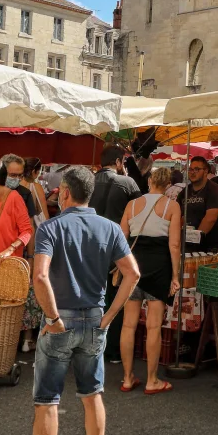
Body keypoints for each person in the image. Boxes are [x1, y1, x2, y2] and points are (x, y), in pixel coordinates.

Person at [0, 165, 140, 435]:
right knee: (93, 395)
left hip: (61, 321)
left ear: (64, 193)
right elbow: (132, 273)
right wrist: (110, 315)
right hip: (94, 319)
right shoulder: (109, 228)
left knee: (47, 401)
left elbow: (40, 277)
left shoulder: (52, 229)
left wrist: (54, 318)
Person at [119, 166, 181, 395]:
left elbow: (121, 237)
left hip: (134, 266)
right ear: (168, 187)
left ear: (149, 182)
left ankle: (127, 378)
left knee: (128, 324)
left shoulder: (131, 205)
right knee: (154, 326)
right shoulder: (172, 206)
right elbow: (174, 245)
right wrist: (175, 275)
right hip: (159, 267)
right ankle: (152, 380)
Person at [90, 145, 142, 363]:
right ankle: (112, 351)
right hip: (116, 249)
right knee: (116, 299)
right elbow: (142, 209)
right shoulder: (127, 182)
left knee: (91, 297)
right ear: (119, 162)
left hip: (89, 246)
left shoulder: (88, 181)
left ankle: (88, 347)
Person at [20, 157, 51, 353]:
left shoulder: (12, 188)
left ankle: (15, 336)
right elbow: (45, 219)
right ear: (35, 172)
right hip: (34, 243)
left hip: (17, 242)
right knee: (33, 290)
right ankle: (28, 339)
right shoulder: (35, 188)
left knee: (19, 288)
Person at [185, 156, 218, 251]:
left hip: (211, 248)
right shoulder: (184, 192)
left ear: (206, 171)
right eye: (190, 169)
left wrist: (193, 241)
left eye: (197, 169)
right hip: (188, 245)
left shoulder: (214, 190)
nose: (192, 172)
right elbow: (180, 216)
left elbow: (210, 219)